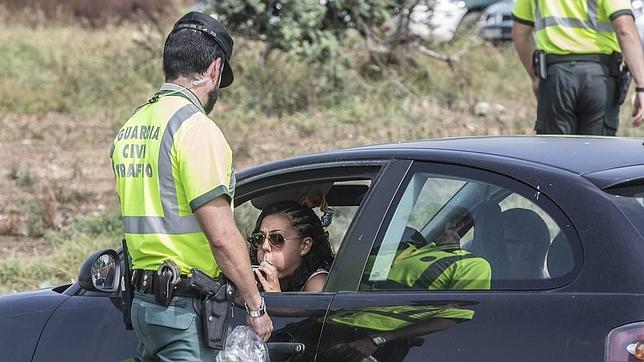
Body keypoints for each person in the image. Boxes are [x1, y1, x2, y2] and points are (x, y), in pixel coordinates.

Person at [110, 11, 272, 361]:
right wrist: (256, 307)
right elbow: (222, 236)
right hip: (184, 312)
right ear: (215, 69)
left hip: (144, 307)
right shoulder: (195, 129)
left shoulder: (132, 126)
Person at [511, 0, 644, 135]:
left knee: (554, 152)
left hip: (556, 78)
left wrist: (534, 77)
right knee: (597, 152)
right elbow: (625, 29)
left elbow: (520, 32)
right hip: (599, 79)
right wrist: (641, 86)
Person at [249, 201, 335, 292]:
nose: (264, 246)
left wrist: (275, 296)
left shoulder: (318, 284)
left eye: (277, 239)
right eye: (259, 238)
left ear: (304, 246)